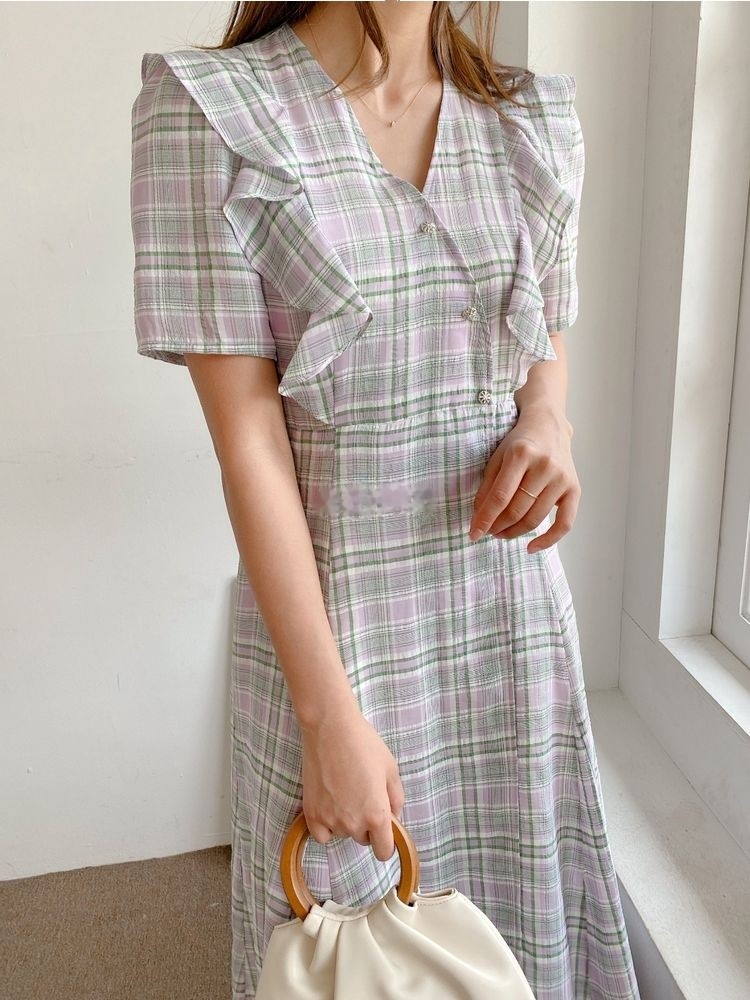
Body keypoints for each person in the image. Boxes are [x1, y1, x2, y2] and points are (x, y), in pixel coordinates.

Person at [129, 2, 641, 998]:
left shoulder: (528, 120)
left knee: (514, 935)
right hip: (339, 637)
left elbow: (538, 325)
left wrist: (548, 419)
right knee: (346, 947)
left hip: (508, 618)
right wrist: (328, 720)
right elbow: (250, 447)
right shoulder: (212, 112)